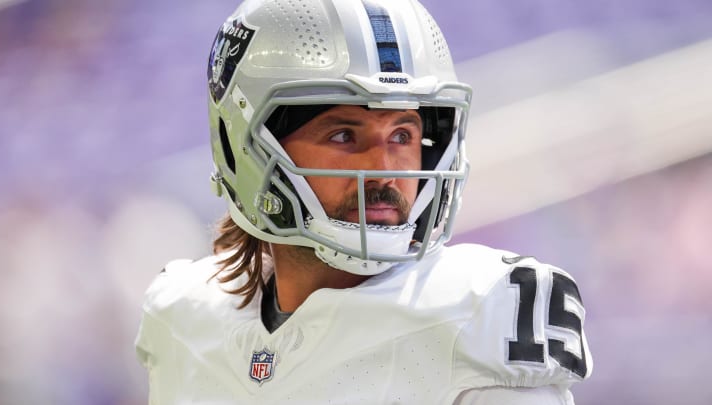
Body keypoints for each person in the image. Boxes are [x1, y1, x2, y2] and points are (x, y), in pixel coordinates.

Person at [135, 0, 593, 403]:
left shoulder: (478, 314)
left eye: (402, 134)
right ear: (245, 147)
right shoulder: (182, 316)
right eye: (343, 134)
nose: (385, 168)